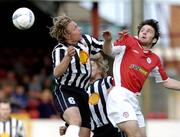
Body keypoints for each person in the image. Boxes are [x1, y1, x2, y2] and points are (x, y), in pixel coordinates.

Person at [102, 19, 180, 137]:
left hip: (134, 99)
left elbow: (167, 81)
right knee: (135, 135)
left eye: (149, 31)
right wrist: (107, 41)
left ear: (154, 39)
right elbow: (109, 51)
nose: (144, 32)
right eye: (142, 30)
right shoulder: (129, 41)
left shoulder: (154, 59)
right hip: (120, 95)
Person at [49, 15, 104, 137]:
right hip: (66, 90)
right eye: (75, 28)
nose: (79, 29)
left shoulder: (85, 41)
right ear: (68, 35)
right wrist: (68, 57)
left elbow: (103, 46)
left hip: (83, 93)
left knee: (85, 132)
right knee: (75, 120)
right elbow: (56, 73)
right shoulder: (60, 50)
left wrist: (109, 40)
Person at [59, 53, 127, 137]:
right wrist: (69, 126)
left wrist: (116, 89)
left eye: (91, 66)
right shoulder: (83, 91)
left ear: (100, 69)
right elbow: (80, 112)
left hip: (114, 128)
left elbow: (125, 84)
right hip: (97, 132)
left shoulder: (107, 81)